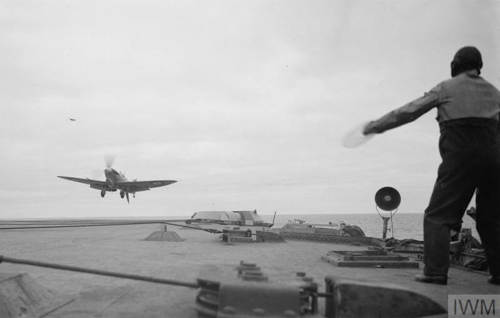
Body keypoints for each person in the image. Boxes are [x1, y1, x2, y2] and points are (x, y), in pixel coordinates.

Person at [363, 46, 500, 285]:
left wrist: (376, 125)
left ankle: (435, 273)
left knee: (438, 217)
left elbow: (408, 112)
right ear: (479, 66)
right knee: (491, 219)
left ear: (455, 65)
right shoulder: (494, 93)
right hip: (495, 158)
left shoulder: (446, 87)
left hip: (460, 157)